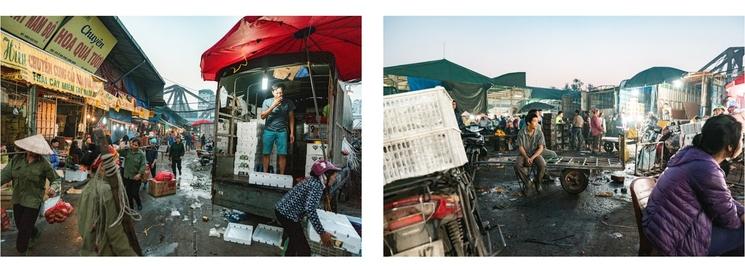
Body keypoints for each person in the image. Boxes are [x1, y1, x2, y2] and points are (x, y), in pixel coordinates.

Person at [643, 115, 744, 256]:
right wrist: (739, 216)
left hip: (661, 227)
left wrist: (741, 211)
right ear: (730, 147)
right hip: (674, 239)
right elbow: (729, 220)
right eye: (742, 139)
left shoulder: (692, 154)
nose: (743, 143)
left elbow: (722, 199)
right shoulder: (707, 169)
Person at [0, 134, 58, 255]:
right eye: (31, 149)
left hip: (33, 200)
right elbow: (5, 175)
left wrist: (53, 188)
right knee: (21, 225)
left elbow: (56, 179)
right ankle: (35, 232)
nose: (33, 152)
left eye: (36, 151)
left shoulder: (44, 164)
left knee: (24, 230)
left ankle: (22, 252)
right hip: (18, 198)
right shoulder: (16, 160)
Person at [275, 160, 338, 256]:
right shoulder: (316, 185)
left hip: (284, 212)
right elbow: (310, 208)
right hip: (287, 215)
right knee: (304, 251)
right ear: (325, 176)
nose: (335, 178)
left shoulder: (313, 181)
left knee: (294, 244)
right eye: (334, 175)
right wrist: (322, 233)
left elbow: (310, 204)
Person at [260, 83, 296, 174]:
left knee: (282, 154)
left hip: (282, 132)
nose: (279, 95)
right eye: (277, 93)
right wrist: (273, 105)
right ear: (273, 92)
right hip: (269, 131)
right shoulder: (267, 102)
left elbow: (291, 118)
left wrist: (292, 133)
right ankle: (265, 174)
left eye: (281, 93)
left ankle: (281, 175)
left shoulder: (288, 102)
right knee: (266, 153)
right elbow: (263, 116)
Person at [514, 113, 546, 193]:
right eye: (535, 121)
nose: (537, 123)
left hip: (535, 154)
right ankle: (527, 182)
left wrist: (532, 158)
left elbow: (541, 148)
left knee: (542, 164)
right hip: (523, 154)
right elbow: (520, 147)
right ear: (528, 123)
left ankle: (538, 182)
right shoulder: (521, 133)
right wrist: (526, 157)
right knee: (517, 165)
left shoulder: (539, 133)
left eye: (537, 121)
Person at [118, 138, 147, 211]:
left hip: (136, 177)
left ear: (139, 146)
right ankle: (131, 208)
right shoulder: (127, 151)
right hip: (127, 176)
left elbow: (143, 165)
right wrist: (121, 147)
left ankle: (139, 203)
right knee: (128, 194)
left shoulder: (141, 154)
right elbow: (118, 152)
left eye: (136, 145)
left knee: (134, 193)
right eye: (133, 144)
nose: (134, 146)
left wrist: (139, 174)